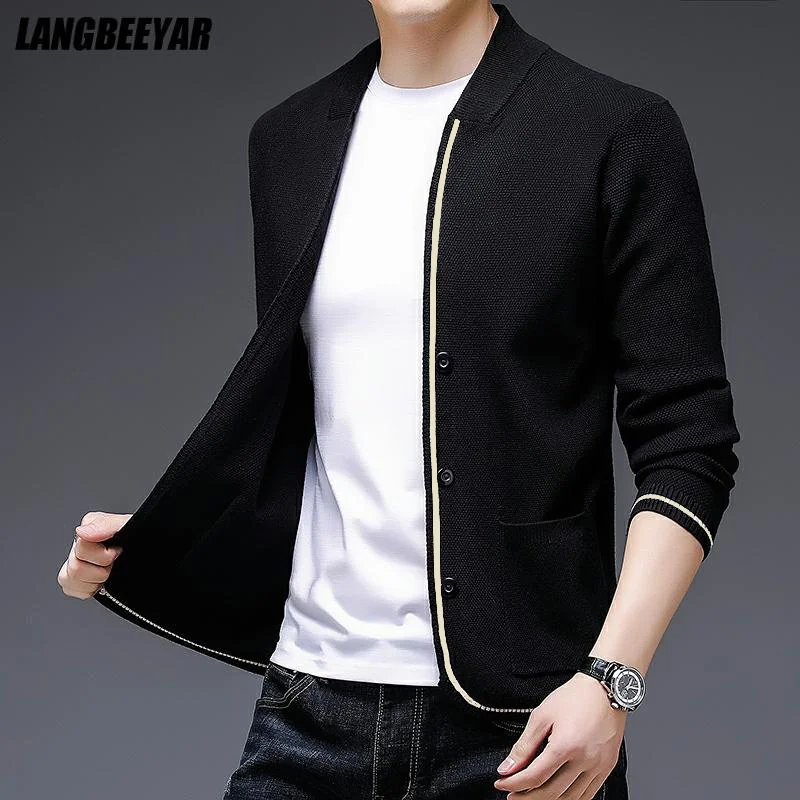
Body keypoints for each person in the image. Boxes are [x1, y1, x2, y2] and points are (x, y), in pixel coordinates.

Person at [57, 2, 740, 798]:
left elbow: (688, 440)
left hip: (526, 724)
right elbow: (324, 422)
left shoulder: (613, 130)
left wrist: (610, 678)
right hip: (307, 704)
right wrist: (158, 543)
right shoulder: (288, 139)